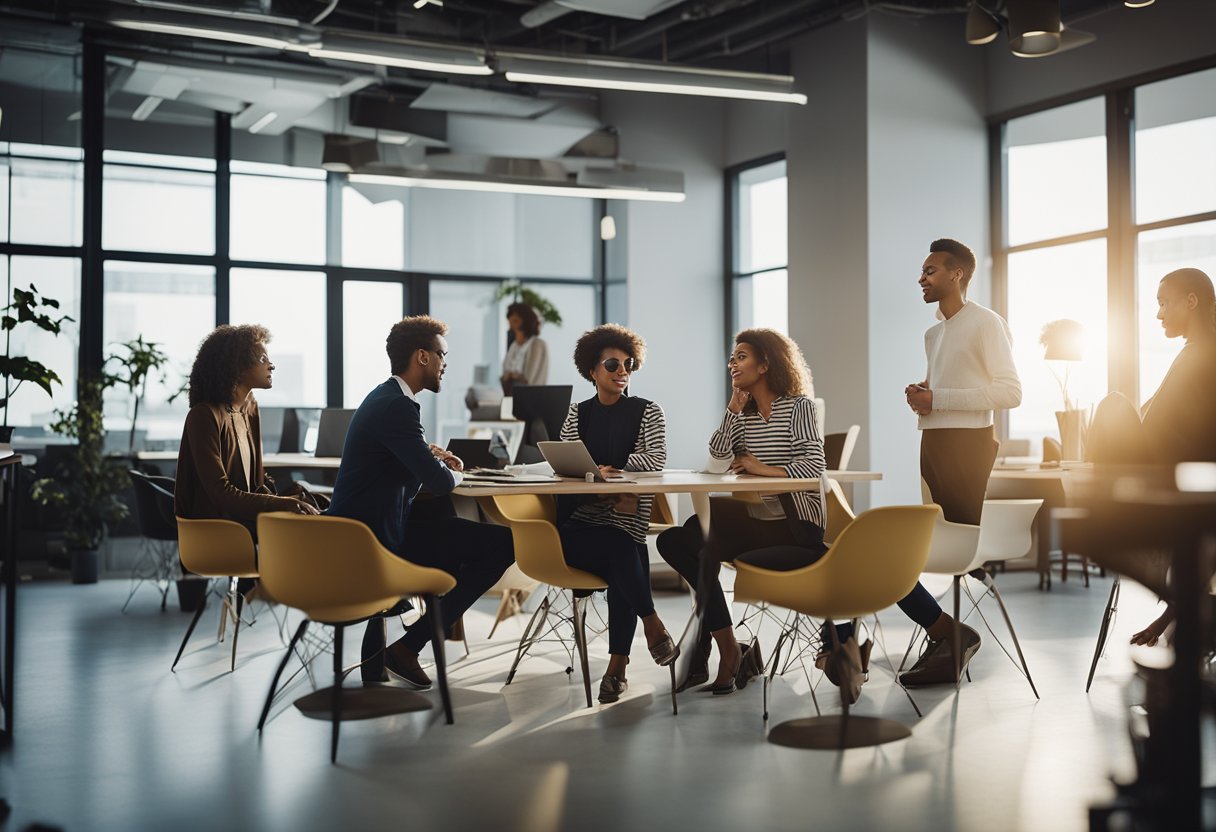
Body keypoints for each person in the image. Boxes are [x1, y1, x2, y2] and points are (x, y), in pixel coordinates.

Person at [326, 315, 515, 689]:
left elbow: (409, 473)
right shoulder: (397, 407)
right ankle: (409, 646)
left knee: (452, 528)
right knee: (501, 545)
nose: (446, 364)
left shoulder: (385, 397)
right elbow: (442, 483)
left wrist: (429, 459)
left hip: (368, 531)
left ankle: (394, 649)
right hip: (374, 542)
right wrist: (453, 472)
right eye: (442, 355)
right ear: (422, 357)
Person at [657, 328, 829, 696]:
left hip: (796, 526)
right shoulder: (744, 415)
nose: (732, 363)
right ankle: (729, 646)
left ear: (766, 364)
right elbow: (717, 464)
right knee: (677, 539)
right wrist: (733, 410)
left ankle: (725, 651)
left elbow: (814, 465)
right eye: (732, 358)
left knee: (701, 546)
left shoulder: (797, 406)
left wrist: (761, 468)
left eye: (742, 357)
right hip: (756, 519)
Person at [901, 238, 1022, 686]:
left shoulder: (986, 323)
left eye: (930, 271)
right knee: (932, 544)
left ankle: (952, 640)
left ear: (957, 274)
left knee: (951, 551)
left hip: (968, 447)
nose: (922, 278)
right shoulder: (933, 333)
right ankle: (947, 638)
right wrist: (924, 396)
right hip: (931, 445)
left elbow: (1010, 392)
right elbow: (944, 390)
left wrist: (940, 398)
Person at [556, 324, 679, 704]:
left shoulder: (648, 411)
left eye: (629, 364)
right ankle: (648, 628)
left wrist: (604, 469)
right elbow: (562, 461)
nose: (621, 370)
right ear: (592, 371)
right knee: (626, 552)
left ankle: (618, 667)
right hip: (579, 530)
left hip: (625, 527)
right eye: (612, 363)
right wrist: (601, 475)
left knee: (624, 549)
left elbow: (654, 460)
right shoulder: (579, 413)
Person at [1127, 267, 1216, 647]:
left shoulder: (1200, 357)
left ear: (1191, 301)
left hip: (1184, 494)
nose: (1159, 314)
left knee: (1113, 409)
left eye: (1164, 303)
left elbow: (1161, 426)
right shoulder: (1197, 354)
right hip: (1187, 490)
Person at [175, 324, 320, 527]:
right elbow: (221, 494)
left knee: (318, 507)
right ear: (238, 367)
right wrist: (283, 504)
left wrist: (291, 499)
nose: (271, 365)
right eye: (263, 359)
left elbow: (256, 483)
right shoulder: (204, 416)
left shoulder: (249, 408)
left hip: (247, 520)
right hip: (218, 528)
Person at [500, 302, 549, 394]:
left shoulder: (537, 345)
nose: (512, 318)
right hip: (512, 396)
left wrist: (512, 376)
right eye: (511, 315)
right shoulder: (513, 346)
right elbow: (504, 374)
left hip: (530, 398)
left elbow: (529, 379)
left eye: (517, 316)